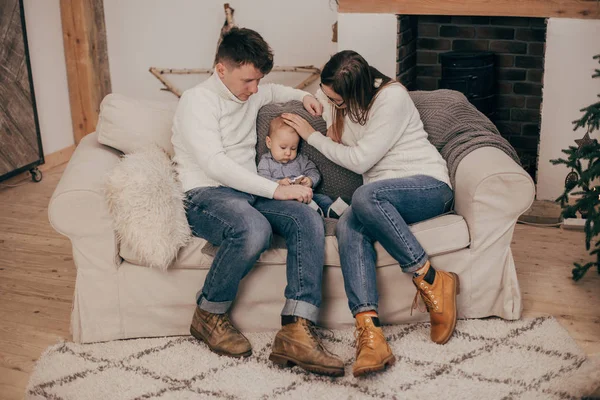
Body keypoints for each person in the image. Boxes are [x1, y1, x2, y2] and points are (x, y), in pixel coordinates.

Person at [171, 27, 344, 377]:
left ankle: (297, 328)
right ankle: (208, 313)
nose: (254, 89)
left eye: (258, 80)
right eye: (248, 80)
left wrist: (305, 97)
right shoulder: (196, 101)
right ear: (222, 69)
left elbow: (274, 91)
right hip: (206, 193)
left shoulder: (252, 92)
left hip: (249, 191)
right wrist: (276, 190)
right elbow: (215, 164)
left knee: (306, 218)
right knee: (253, 229)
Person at [282, 50, 459, 377]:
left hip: (425, 185)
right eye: (329, 96)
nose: (331, 103)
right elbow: (323, 94)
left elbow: (361, 161)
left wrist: (312, 136)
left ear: (356, 92)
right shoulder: (341, 93)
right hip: (377, 199)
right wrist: (309, 98)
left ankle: (432, 279)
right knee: (349, 224)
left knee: (364, 196)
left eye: (338, 101)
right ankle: (371, 334)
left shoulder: (391, 99)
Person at [257, 116, 347, 218]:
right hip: (283, 200)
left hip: (306, 194)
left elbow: (313, 172)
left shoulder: (300, 160)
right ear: (269, 143)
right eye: (283, 147)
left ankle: (332, 211)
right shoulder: (266, 161)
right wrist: (278, 183)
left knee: (323, 199)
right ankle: (313, 211)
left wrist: (310, 180)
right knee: (297, 204)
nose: (288, 153)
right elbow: (262, 179)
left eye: (293, 148)